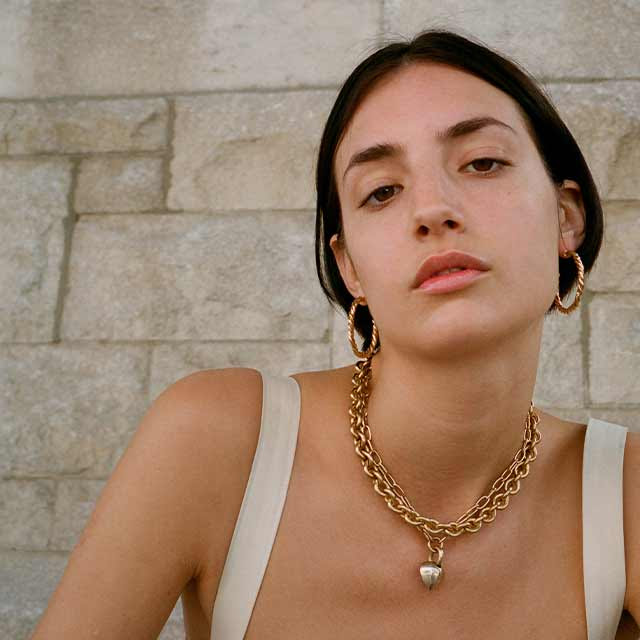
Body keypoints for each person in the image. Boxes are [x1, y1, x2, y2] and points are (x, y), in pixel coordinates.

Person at [30, 28, 638, 640]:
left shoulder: (624, 496)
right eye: (382, 191)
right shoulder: (220, 441)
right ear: (350, 269)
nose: (432, 209)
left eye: (482, 162)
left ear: (566, 217)